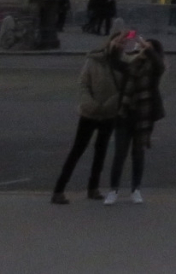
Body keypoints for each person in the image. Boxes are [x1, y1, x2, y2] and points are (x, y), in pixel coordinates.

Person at [50, 32, 124, 204]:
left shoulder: (123, 64)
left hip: (108, 114)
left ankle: (93, 188)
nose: (119, 45)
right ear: (110, 41)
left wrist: (109, 104)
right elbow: (83, 83)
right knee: (77, 150)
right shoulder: (93, 60)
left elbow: (124, 89)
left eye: (123, 43)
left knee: (101, 152)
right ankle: (59, 190)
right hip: (89, 112)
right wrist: (90, 103)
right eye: (117, 41)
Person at [104, 32, 165, 204]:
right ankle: (113, 190)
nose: (142, 48)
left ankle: (135, 189)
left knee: (138, 154)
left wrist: (150, 50)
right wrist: (115, 48)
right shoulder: (130, 64)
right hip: (125, 114)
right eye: (142, 46)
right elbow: (114, 63)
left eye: (146, 47)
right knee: (119, 154)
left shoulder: (154, 68)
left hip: (143, 116)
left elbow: (159, 65)